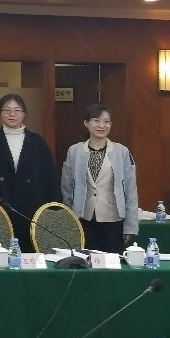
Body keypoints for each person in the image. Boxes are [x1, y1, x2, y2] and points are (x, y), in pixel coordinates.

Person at [0, 93, 61, 244]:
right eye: (7, 110)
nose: (12, 114)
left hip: (32, 208)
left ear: (24, 114)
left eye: (17, 110)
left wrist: (49, 209)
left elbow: (50, 176)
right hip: (1, 207)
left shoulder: (37, 142)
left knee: (30, 249)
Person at [61, 104, 138, 252]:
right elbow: (66, 188)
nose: (101, 125)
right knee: (85, 260)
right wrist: (70, 220)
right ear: (86, 123)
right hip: (82, 218)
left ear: (111, 124)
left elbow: (130, 191)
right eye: (96, 120)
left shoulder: (121, 152)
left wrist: (130, 226)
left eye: (106, 122)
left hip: (113, 220)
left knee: (111, 262)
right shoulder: (74, 151)